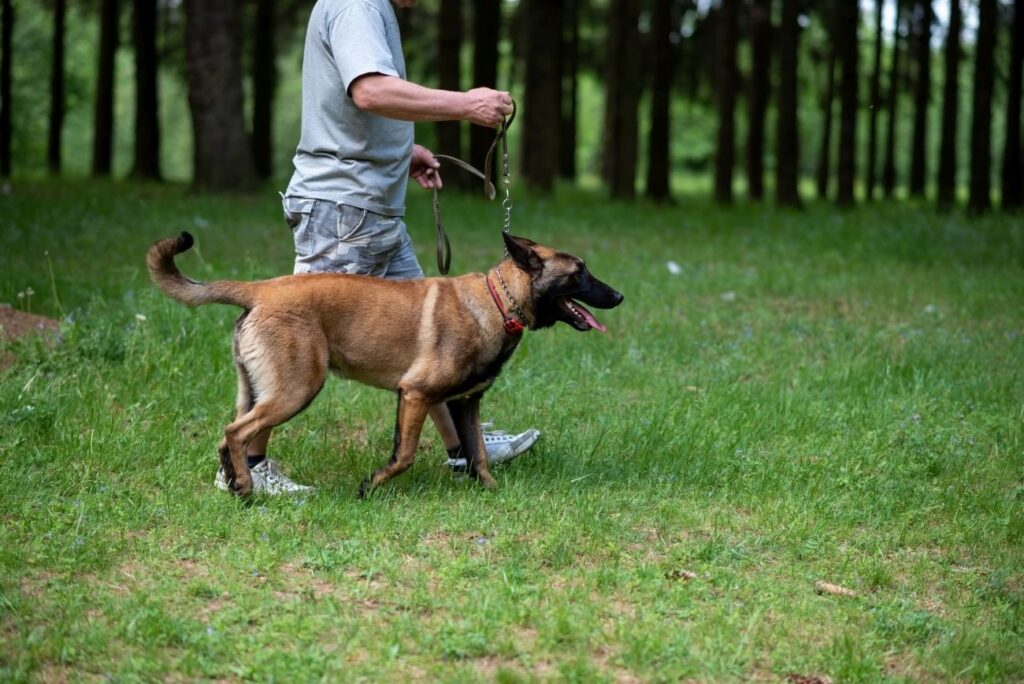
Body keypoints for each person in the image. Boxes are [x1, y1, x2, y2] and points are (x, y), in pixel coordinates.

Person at [215, 0, 540, 495]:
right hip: (346, 211)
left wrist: (398, 152)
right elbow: (369, 91)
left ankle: (464, 453)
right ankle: (247, 468)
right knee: (293, 334)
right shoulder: (356, 5)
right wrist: (464, 105)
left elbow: (347, 104)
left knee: (433, 337)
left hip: (370, 210)